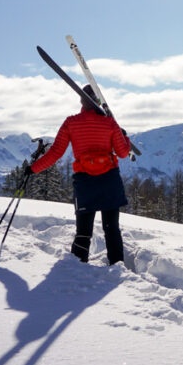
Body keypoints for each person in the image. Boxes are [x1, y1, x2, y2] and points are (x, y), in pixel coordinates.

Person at [28, 85, 132, 265]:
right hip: (109, 180)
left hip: (85, 182)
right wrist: (125, 137)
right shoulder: (110, 123)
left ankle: (77, 267)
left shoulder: (71, 122)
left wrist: (32, 169)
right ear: (99, 102)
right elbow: (123, 153)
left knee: (83, 232)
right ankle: (117, 267)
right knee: (112, 229)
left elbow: (56, 152)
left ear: (82, 101)